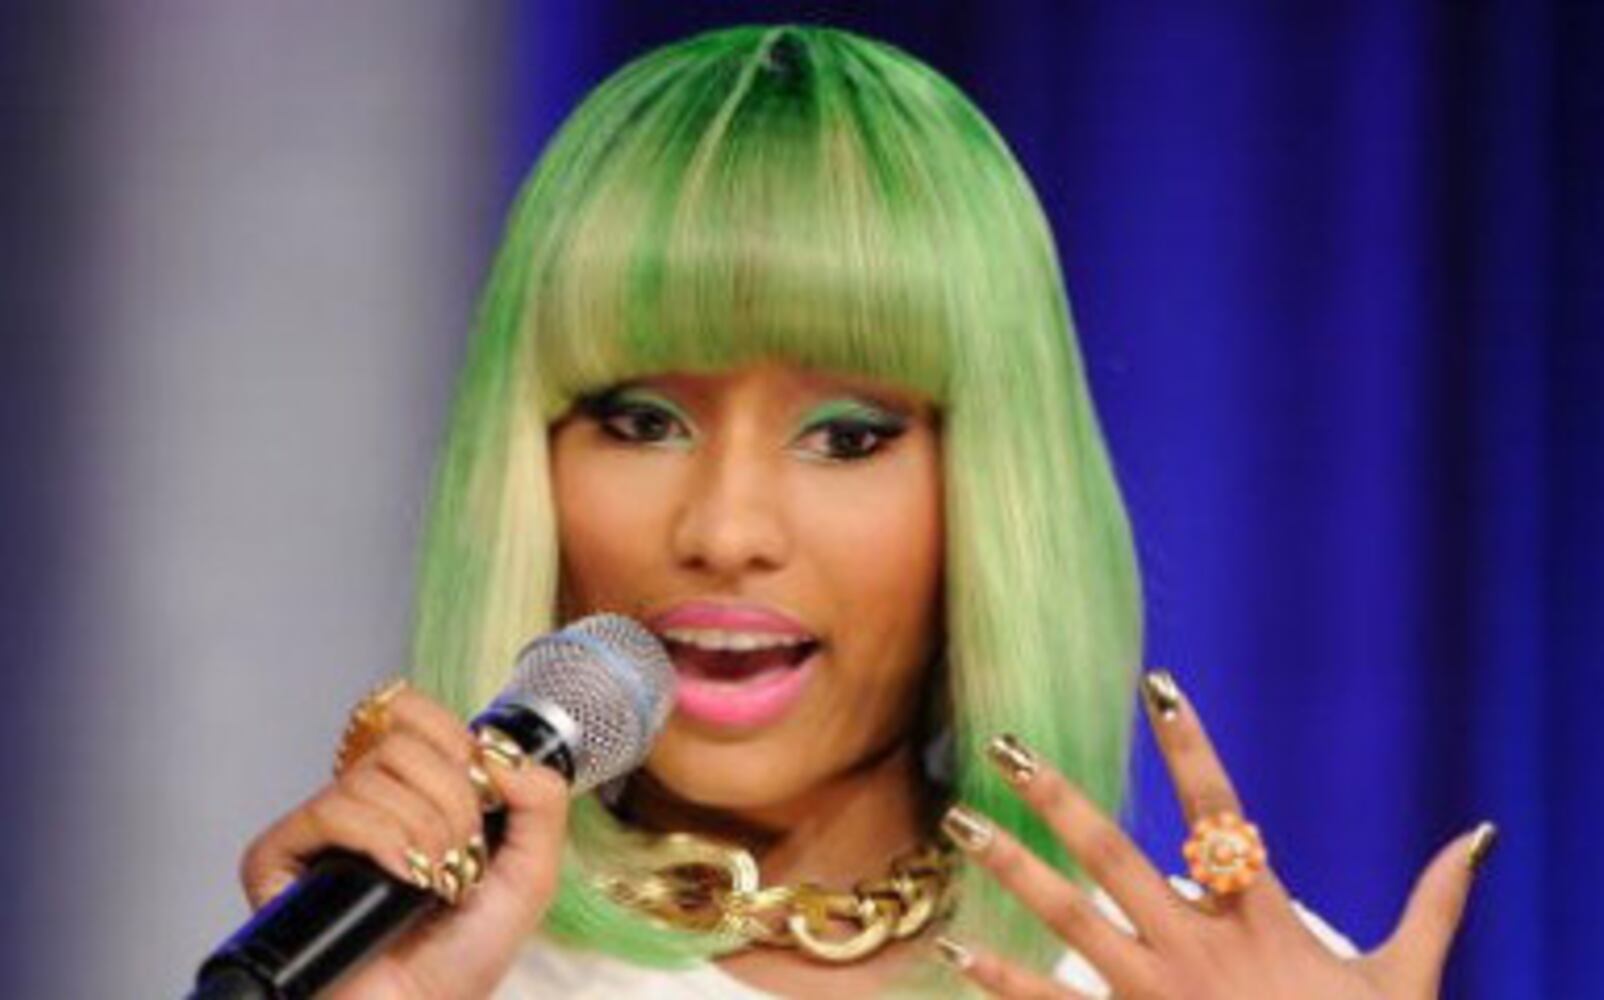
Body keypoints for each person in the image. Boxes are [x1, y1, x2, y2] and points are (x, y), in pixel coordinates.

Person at [238, 24, 1493, 998]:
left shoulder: (1195, 982)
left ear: (991, 492)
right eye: (640, 421)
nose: (725, 528)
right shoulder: (426, 971)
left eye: (845, 436)